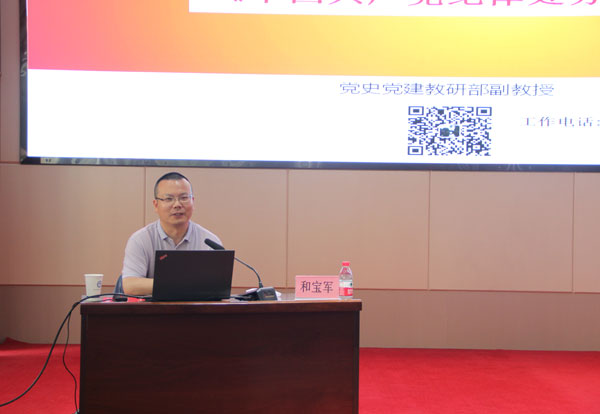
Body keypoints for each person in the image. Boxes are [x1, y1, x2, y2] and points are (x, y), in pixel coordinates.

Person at [121, 172, 222, 296]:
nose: (177, 205)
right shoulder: (140, 239)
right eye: (169, 199)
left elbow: (218, 288)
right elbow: (130, 286)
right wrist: (182, 283)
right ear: (156, 205)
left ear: (192, 201)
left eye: (184, 198)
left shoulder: (210, 242)